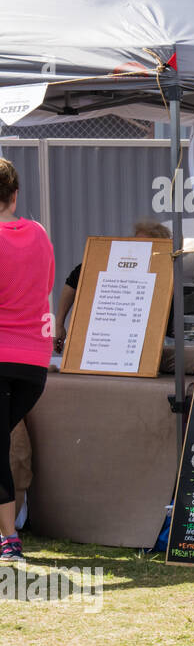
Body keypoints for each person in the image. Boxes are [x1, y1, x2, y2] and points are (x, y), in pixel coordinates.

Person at [0, 159, 55, 562]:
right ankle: (8, 537)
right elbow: (46, 286)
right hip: (34, 363)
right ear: (15, 195)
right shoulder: (38, 234)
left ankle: (8, 540)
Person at [53, 219, 172, 354]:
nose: (140, 250)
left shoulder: (165, 275)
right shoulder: (110, 264)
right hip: (103, 344)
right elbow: (73, 281)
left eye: (147, 246)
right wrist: (59, 325)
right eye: (136, 244)